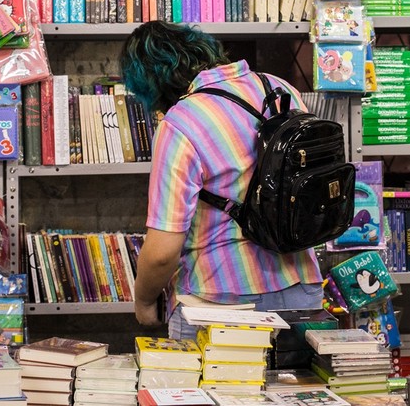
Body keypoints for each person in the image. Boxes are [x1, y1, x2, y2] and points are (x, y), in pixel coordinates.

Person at [119, 21, 324, 339]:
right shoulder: (280, 89)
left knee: (213, 389)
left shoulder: (182, 122)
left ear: (151, 84)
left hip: (218, 302)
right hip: (301, 289)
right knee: (297, 386)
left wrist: (144, 301)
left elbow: (162, 252)